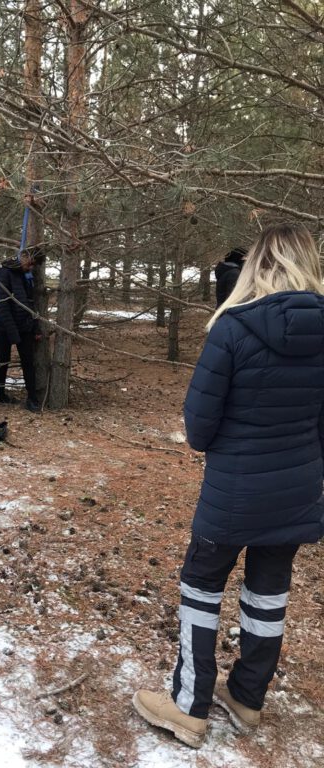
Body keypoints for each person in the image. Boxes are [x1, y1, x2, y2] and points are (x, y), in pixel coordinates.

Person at [133, 223, 324, 749]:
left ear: (257, 265)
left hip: (233, 492)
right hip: (296, 491)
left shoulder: (232, 328)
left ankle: (190, 707)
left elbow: (198, 429)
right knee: (268, 595)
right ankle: (247, 698)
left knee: (201, 586)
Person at [0, 248, 43, 412]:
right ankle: (1, 395)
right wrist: (13, 333)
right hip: (4, 328)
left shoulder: (26, 276)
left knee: (28, 363)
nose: (31, 268)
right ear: (23, 257)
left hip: (25, 327)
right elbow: (2, 305)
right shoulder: (3, 273)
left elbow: (30, 304)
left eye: (33, 265)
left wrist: (35, 328)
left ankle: (32, 399)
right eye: (30, 263)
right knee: (2, 361)